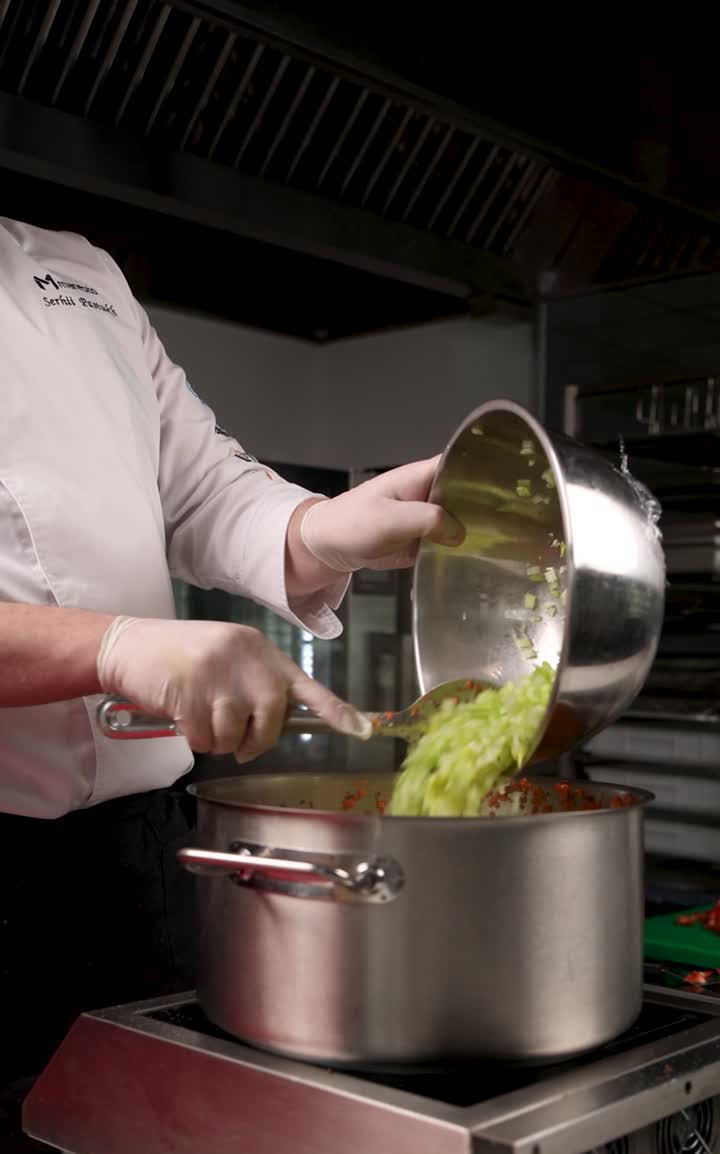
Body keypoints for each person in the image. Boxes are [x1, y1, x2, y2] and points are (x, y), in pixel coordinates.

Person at [0, 217, 464, 1078]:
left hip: (141, 859)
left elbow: (197, 489)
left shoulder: (75, 268)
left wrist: (317, 529)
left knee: (161, 1139)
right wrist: (113, 648)